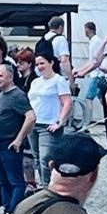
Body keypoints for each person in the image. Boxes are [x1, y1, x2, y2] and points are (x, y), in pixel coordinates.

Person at [0, 63, 33, 214]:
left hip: (9, 143)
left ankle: (13, 212)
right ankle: (7, 210)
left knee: (15, 181)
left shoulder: (17, 95)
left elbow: (31, 117)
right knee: (3, 180)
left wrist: (19, 139)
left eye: (0, 76)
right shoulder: (2, 94)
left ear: (10, 76)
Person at [27, 53, 73, 187]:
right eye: (37, 64)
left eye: (42, 63)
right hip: (33, 124)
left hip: (48, 125)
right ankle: (43, 184)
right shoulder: (35, 82)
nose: (40, 67)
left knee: (45, 158)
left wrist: (60, 121)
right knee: (36, 158)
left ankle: (48, 187)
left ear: (51, 63)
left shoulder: (58, 80)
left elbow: (67, 102)